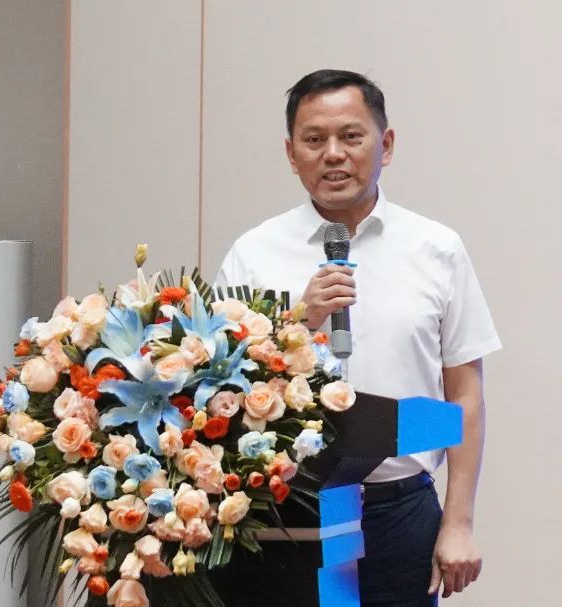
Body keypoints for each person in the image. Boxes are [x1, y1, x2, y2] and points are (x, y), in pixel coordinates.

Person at [214, 69, 501, 606]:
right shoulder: (253, 254)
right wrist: (299, 323)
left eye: (351, 136)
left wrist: (459, 521)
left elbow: (465, 396)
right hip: (283, 512)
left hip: (399, 511)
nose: (333, 154)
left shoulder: (435, 248)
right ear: (291, 153)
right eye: (314, 139)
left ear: (385, 145)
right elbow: (218, 395)